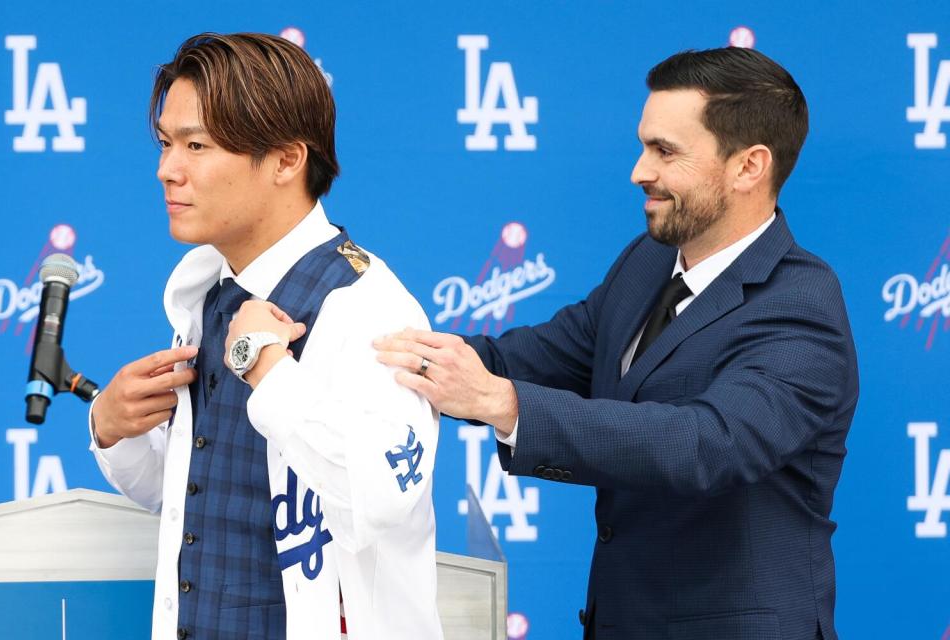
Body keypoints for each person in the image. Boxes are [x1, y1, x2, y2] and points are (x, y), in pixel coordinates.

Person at [375, 46, 858, 640]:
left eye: (665, 151)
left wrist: (505, 404)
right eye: (644, 145)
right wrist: (371, 347)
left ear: (749, 167)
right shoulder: (646, 263)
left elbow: (706, 444)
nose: (639, 171)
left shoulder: (801, 304)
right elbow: (523, 359)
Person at [89, 32, 443, 640]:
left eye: (196, 145)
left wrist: (269, 369)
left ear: (286, 160)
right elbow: (198, 501)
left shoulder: (369, 305)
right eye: (166, 143)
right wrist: (113, 429)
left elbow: (384, 495)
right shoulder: (206, 293)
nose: (167, 170)